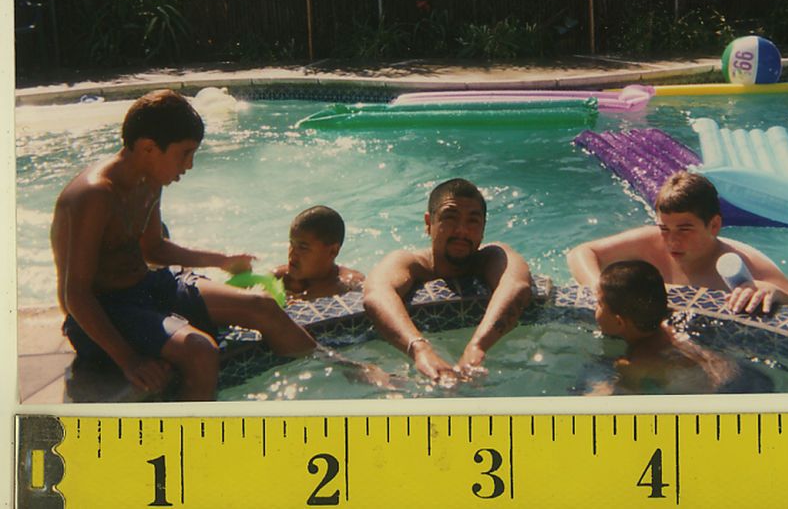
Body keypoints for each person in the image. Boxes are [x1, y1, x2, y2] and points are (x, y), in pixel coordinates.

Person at [51, 89, 317, 401]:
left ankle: (331, 376)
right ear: (149, 148)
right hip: (103, 313)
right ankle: (194, 439)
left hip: (148, 288)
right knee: (201, 352)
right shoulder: (95, 196)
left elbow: (154, 249)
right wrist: (129, 359)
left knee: (263, 306)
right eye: (185, 153)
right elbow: (76, 294)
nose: (189, 165)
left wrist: (221, 260)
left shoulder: (148, 180)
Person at [567, 171, 788, 315]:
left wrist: (777, 294)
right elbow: (581, 252)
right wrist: (598, 288)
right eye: (665, 228)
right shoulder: (651, 241)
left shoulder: (747, 264)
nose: (671, 240)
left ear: (714, 225)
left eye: (685, 229)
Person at [363, 178, 533, 384]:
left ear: (484, 227)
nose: (462, 230)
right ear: (429, 223)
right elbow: (376, 294)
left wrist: (477, 346)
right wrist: (420, 349)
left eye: (473, 221)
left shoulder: (493, 256)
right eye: (450, 218)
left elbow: (516, 286)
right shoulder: (409, 262)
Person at [587, 261, 737, 394]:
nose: (595, 307)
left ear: (619, 322)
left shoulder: (636, 362)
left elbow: (619, 399)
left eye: (599, 304)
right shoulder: (670, 329)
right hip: (729, 375)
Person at [273, 205, 365, 300]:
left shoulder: (350, 286)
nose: (292, 253)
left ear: (333, 251)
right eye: (291, 244)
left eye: (303, 247)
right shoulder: (279, 278)